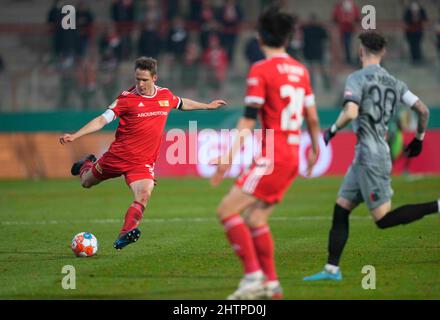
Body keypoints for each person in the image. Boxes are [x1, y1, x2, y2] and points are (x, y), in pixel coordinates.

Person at [303, 31, 439, 281]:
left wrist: (332, 130)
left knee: (383, 219)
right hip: (367, 155)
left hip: (370, 156)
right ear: (383, 52)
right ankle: (332, 270)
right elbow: (422, 110)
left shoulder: (356, 78)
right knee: (341, 208)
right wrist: (419, 138)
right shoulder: (395, 82)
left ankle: (437, 205)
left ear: (360, 51)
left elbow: (351, 112)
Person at [210, 6, 321, 300]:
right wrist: (316, 149)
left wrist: (229, 156)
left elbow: (248, 117)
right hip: (293, 155)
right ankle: (271, 284)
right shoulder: (301, 70)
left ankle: (253, 277)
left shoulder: (260, 69)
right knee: (256, 219)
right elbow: (312, 118)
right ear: (287, 38)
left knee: (226, 210)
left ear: (260, 38)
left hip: (272, 155)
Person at [60, 57, 226, 250]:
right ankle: (86, 165)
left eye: (144, 80)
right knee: (86, 182)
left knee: (144, 195)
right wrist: (76, 135)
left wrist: (207, 105)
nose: (140, 84)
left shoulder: (164, 95)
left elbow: (181, 103)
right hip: (117, 157)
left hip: (142, 163)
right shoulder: (126, 99)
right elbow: (101, 120)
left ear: (154, 77)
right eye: (137, 79)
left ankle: (124, 234)